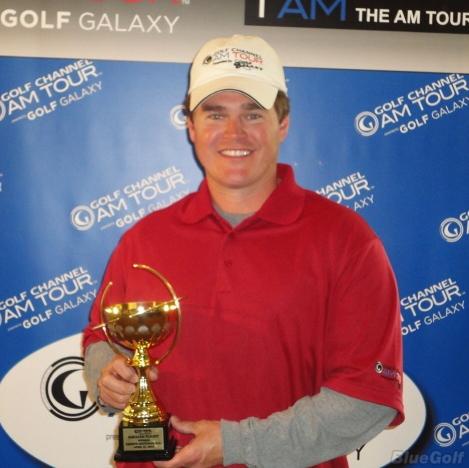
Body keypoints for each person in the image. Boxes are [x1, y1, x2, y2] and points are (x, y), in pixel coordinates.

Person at [83, 34, 404, 468]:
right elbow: (103, 338)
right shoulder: (144, 238)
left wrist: (239, 444)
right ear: (191, 126)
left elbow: (366, 401)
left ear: (283, 123)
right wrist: (108, 377)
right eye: (215, 114)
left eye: (252, 114)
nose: (234, 133)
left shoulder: (348, 241)